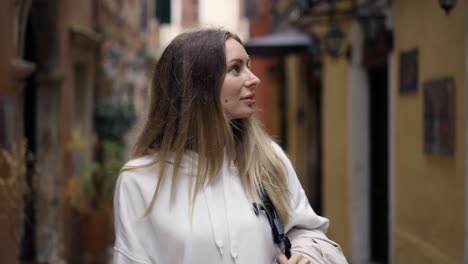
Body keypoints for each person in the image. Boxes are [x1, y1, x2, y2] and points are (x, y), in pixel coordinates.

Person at [113, 28, 348, 264]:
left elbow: (307, 231)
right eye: (236, 68)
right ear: (198, 84)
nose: (254, 78)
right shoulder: (139, 181)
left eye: (249, 65)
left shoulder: (268, 158)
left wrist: (305, 256)